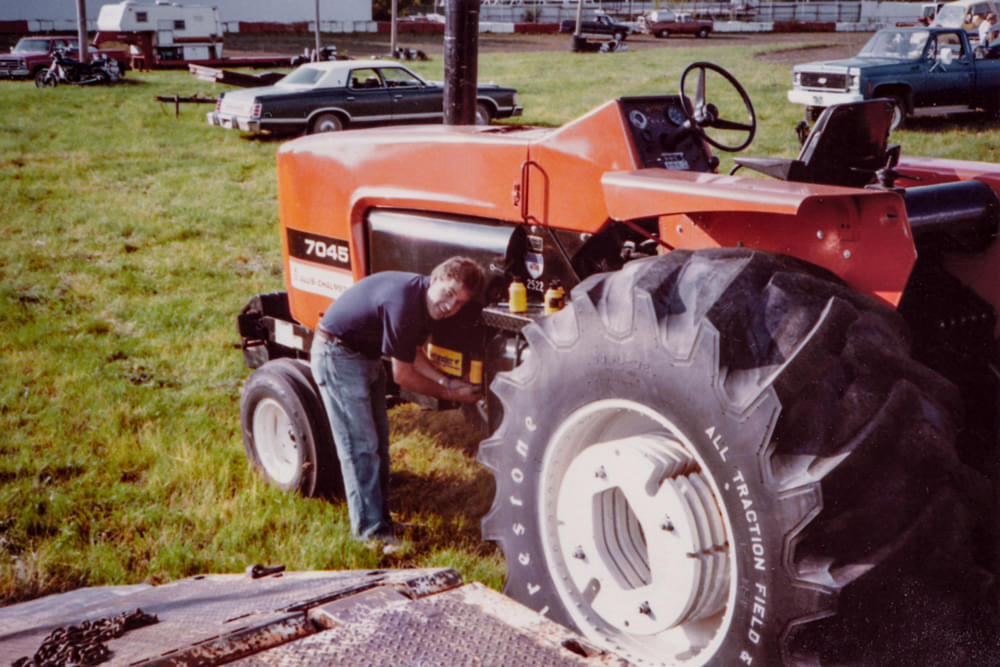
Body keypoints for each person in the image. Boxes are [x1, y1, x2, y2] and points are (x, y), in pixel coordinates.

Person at [310, 257, 485, 554]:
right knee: (359, 447)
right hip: (337, 355)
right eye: (449, 294)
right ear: (435, 279)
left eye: (459, 303)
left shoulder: (424, 304)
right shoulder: (405, 301)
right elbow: (403, 375)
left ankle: (382, 523)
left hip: (364, 357)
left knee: (378, 446)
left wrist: (449, 383)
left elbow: (412, 352)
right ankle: (370, 535)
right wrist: (455, 396)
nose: (450, 307)